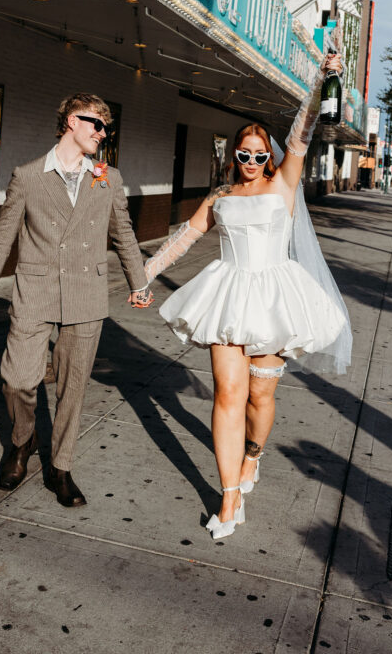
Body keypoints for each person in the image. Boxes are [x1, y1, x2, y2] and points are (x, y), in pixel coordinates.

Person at [143, 54, 351, 539]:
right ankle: (229, 496)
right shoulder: (220, 197)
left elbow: (301, 132)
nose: (253, 161)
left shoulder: (282, 185)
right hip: (229, 296)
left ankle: (253, 456)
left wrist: (321, 79)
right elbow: (185, 238)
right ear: (233, 155)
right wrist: (144, 273)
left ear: (270, 158)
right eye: (245, 154)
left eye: (260, 154)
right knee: (228, 394)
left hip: (276, 298)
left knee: (261, 395)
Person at [0, 93, 152, 506]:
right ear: (72, 121)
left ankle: (61, 467)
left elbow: (123, 233)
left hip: (87, 293)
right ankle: (23, 440)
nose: (103, 134)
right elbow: (3, 238)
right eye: (96, 125)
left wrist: (137, 282)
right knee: (17, 380)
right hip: (35, 291)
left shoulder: (107, 177)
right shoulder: (29, 175)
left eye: (107, 127)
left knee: (73, 387)